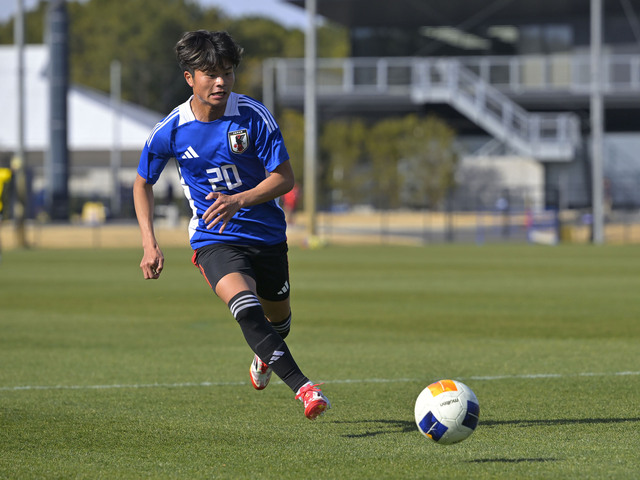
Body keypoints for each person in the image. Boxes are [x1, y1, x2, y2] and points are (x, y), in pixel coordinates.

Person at [133, 30, 330, 420]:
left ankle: (264, 356)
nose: (221, 80)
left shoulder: (253, 117)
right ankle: (305, 389)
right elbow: (142, 183)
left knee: (279, 323)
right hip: (214, 240)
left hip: (268, 237)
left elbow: (285, 178)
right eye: (210, 73)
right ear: (190, 77)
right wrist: (149, 243)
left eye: (227, 71)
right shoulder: (171, 129)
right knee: (245, 308)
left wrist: (239, 199)